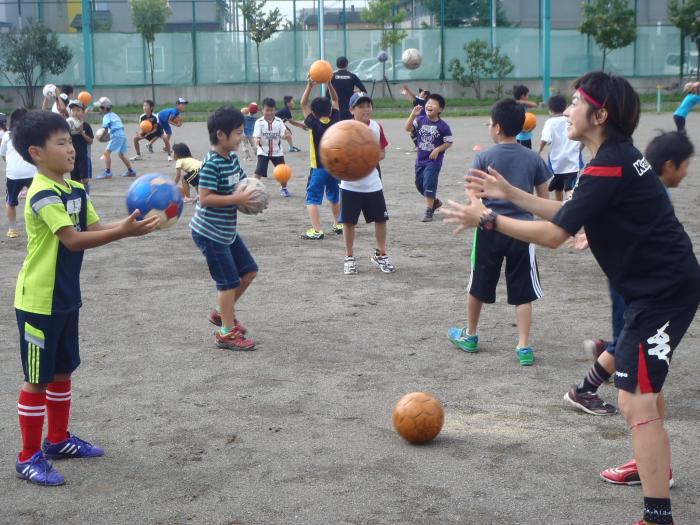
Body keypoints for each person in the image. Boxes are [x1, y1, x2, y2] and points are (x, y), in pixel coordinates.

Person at [442, 71, 700, 525]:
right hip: (657, 287)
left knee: (634, 397)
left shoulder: (609, 163)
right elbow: (569, 212)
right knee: (645, 387)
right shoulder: (612, 158)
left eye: (578, 103)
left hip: (661, 293)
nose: (569, 111)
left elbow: (555, 234)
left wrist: (490, 220)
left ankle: (658, 517)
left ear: (600, 115)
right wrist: (510, 194)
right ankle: (650, 465)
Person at [11, 111, 159, 486]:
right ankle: (28, 456)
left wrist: (131, 226)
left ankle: (57, 440)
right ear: (36, 153)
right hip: (37, 302)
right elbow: (72, 239)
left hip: (65, 297)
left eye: (70, 140)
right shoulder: (42, 192)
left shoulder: (75, 189)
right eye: (60, 143)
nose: (71, 148)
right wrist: (123, 233)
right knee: (37, 379)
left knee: (63, 371)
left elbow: (94, 228)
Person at [564, 130, 694, 426]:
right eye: (687, 164)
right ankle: (584, 390)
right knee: (628, 338)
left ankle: (593, 377)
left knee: (628, 338)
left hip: (639, 281)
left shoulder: (640, 183)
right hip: (640, 284)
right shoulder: (647, 189)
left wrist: (590, 236)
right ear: (671, 165)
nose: (687, 171)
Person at [447, 98, 549, 366]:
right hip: (523, 232)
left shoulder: (484, 156)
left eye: (491, 123)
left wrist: (479, 208)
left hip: (489, 227)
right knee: (523, 290)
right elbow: (543, 197)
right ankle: (524, 346)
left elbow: (472, 190)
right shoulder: (533, 158)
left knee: (478, 282)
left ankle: (470, 335)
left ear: (498, 128)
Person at [189, 106, 258, 351]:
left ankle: (221, 313)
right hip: (209, 233)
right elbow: (205, 198)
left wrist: (255, 195)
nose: (241, 137)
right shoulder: (211, 164)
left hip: (226, 231)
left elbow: (243, 184)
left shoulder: (232, 160)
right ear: (221, 135)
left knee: (249, 271)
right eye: (238, 133)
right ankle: (226, 333)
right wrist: (236, 200)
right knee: (228, 282)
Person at [341, 92, 395, 275]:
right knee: (349, 222)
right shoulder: (343, 129)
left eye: (368, 105)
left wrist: (368, 158)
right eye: (361, 106)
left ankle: (381, 254)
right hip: (350, 185)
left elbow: (382, 152)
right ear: (351, 110)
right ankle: (349, 257)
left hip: (372, 183)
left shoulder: (376, 127)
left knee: (381, 219)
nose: (366, 109)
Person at [300, 77, 343, 240]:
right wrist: (330, 83)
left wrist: (309, 86)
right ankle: (338, 224)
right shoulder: (335, 119)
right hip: (334, 167)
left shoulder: (313, 121)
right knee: (334, 195)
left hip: (318, 167)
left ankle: (317, 230)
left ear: (314, 112)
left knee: (312, 197)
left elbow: (303, 104)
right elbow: (335, 99)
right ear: (330, 111)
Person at [404, 93, 453, 222]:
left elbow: (449, 142)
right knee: (420, 185)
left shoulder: (443, 126)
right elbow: (407, 128)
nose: (429, 105)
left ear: (440, 109)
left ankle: (428, 211)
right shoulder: (420, 120)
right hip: (420, 160)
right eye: (428, 103)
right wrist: (413, 115)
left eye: (433, 104)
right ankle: (435, 202)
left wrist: (438, 149)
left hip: (434, 161)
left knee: (429, 183)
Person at [538, 94, 583, 201]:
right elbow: (582, 136)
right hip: (572, 160)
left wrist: (539, 150)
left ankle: (559, 208)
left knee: (557, 187)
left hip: (557, 161)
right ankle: (570, 205)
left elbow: (545, 138)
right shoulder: (571, 119)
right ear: (566, 107)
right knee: (569, 187)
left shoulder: (550, 122)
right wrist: (580, 148)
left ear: (550, 110)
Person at [0, 108, 36, 238]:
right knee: (38, 198)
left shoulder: (7, 135)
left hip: (13, 173)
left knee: (10, 201)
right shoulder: (32, 133)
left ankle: (12, 229)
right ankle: (38, 225)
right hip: (32, 171)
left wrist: (10, 163)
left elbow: (3, 154)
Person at [253, 98, 292, 197]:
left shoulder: (279, 121)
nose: (269, 112)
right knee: (258, 172)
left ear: (275, 110)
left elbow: (283, 134)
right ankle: (252, 189)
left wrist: (285, 136)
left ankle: (284, 189)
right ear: (262, 110)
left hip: (277, 152)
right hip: (263, 152)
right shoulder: (259, 122)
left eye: (272, 110)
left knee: (283, 172)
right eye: (267, 110)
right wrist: (256, 141)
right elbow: (256, 136)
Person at [93, 97, 136, 179]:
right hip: (122, 135)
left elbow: (105, 130)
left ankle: (108, 172)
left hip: (117, 135)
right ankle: (131, 171)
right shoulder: (114, 115)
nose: (99, 109)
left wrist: (101, 138)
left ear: (105, 109)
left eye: (100, 108)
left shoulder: (106, 117)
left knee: (106, 153)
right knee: (121, 155)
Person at [66, 100, 94, 191]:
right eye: (73, 110)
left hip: (83, 157)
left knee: (85, 179)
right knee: (75, 180)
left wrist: (82, 133)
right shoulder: (68, 126)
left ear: (83, 112)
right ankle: (78, 198)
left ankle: (86, 198)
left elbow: (90, 141)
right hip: (72, 157)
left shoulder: (86, 126)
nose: (75, 113)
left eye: (78, 110)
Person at [330, 56, 367, 120]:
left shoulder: (332, 77)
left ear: (337, 65)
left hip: (336, 108)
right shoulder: (352, 76)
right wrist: (356, 91)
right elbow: (363, 90)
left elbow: (328, 94)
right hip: (349, 107)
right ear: (347, 64)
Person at [157, 97, 188, 161]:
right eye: (182, 105)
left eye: (184, 105)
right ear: (177, 105)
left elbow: (176, 118)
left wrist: (179, 121)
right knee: (158, 133)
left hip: (164, 120)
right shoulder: (174, 111)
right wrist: (177, 124)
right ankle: (150, 144)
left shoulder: (177, 112)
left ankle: (165, 147)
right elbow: (169, 120)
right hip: (159, 118)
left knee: (168, 133)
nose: (183, 106)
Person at [513, 84, 538, 149]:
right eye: (527, 95)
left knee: (527, 151)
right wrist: (522, 130)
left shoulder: (523, 104)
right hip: (520, 136)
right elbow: (515, 120)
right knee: (522, 152)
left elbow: (534, 105)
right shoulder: (515, 106)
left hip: (526, 135)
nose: (528, 97)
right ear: (523, 96)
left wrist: (521, 101)